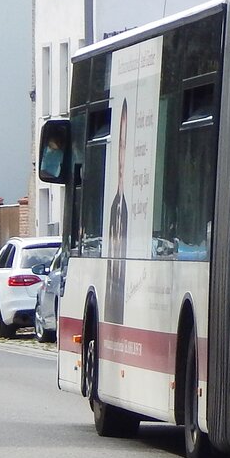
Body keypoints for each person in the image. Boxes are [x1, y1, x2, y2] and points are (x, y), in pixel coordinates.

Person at [105, 99, 129, 323]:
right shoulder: (114, 208)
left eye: (124, 144)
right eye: (118, 145)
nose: (122, 153)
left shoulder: (126, 210)